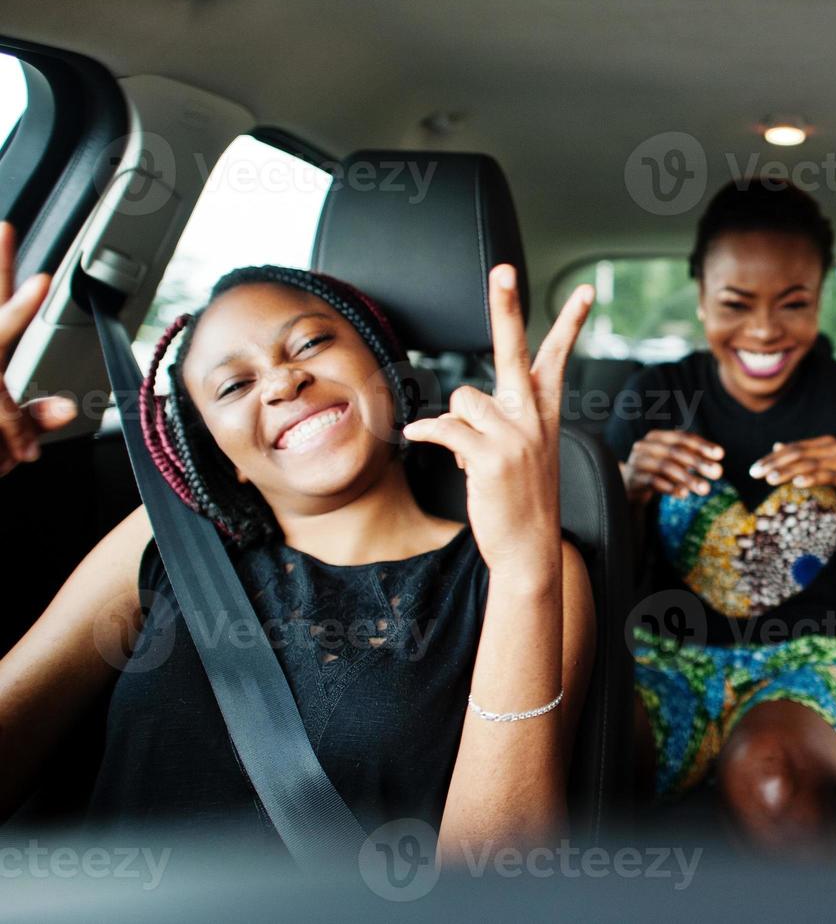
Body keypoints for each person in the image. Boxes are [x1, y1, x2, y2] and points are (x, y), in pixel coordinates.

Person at [0, 220, 596, 864]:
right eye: (233, 386)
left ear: (383, 362)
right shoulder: (165, 542)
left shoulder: (520, 569)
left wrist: (522, 569)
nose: (283, 384)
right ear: (219, 454)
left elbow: (496, 891)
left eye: (310, 343)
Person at [605, 180, 836, 857]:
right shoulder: (656, 396)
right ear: (699, 298)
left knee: (772, 781)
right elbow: (598, 571)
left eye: (793, 304)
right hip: (667, 656)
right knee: (589, 750)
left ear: (819, 300)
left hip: (814, 663)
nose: (762, 331)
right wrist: (628, 488)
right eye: (734, 304)